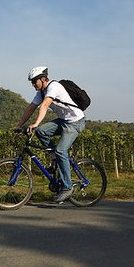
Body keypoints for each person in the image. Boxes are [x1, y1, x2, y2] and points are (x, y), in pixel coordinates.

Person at [15, 66, 86, 202]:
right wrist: (18, 125)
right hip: (63, 121)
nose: (33, 85)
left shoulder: (54, 87)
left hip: (75, 122)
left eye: (34, 81)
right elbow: (30, 108)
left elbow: (44, 106)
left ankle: (67, 187)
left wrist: (35, 123)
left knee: (61, 150)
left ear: (43, 79)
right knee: (42, 131)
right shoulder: (40, 93)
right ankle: (55, 159)